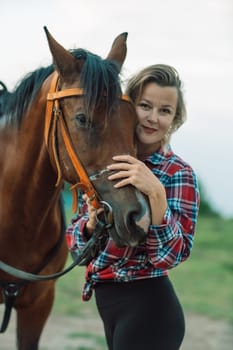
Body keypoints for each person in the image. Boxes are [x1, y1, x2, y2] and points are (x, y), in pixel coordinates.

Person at [66, 64, 200, 350]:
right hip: (110, 307)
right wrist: (89, 225)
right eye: (145, 106)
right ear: (128, 107)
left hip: (150, 311)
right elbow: (76, 247)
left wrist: (156, 194)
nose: (153, 118)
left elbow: (170, 258)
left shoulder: (178, 173)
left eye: (165, 111)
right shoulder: (107, 164)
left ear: (175, 119)